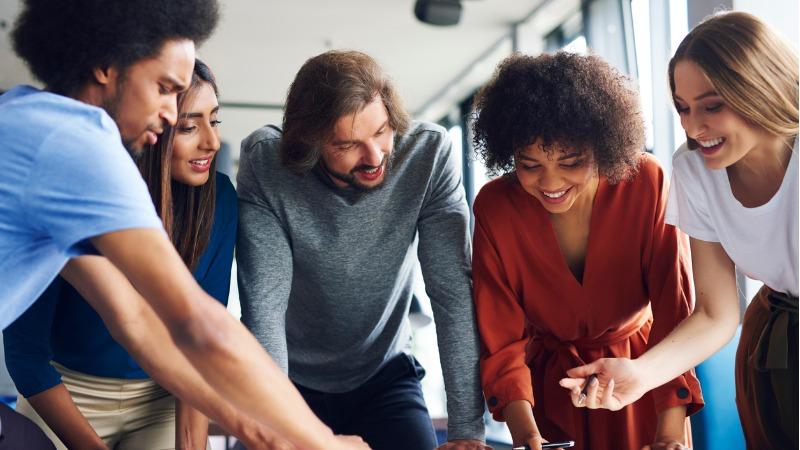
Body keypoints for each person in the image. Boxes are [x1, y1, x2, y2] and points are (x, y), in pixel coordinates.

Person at [0, 1, 367, 449]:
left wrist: (263, 432)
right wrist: (322, 442)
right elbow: (199, 324)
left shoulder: (29, 120)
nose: (172, 114)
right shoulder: (75, 146)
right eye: (163, 88)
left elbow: (134, 319)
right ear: (104, 67)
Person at [560, 11, 798, 450]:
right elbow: (716, 313)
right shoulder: (695, 169)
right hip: (773, 342)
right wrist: (639, 375)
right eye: (683, 108)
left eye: (712, 106)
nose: (692, 127)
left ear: (762, 89)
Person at [237, 50, 488, 450]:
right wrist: (276, 426)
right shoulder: (266, 162)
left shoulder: (427, 155)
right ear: (310, 143)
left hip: (385, 376)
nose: (374, 157)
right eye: (347, 144)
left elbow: (452, 297)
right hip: (291, 383)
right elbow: (263, 307)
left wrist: (466, 432)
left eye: (381, 131)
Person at [470, 52, 703, 450]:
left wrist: (668, 436)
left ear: (603, 145)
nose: (550, 182)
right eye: (529, 165)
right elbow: (502, 340)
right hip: (545, 395)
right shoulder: (495, 207)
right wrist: (525, 435)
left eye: (571, 161)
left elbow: (675, 315)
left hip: (644, 379)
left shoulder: (646, 183)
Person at [6, 59, 239, 450]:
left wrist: (191, 444)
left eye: (214, 121)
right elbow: (26, 355)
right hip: (66, 394)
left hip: (164, 396)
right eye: (188, 126)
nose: (211, 142)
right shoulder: (69, 188)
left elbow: (199, 339)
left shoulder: (221, 200)